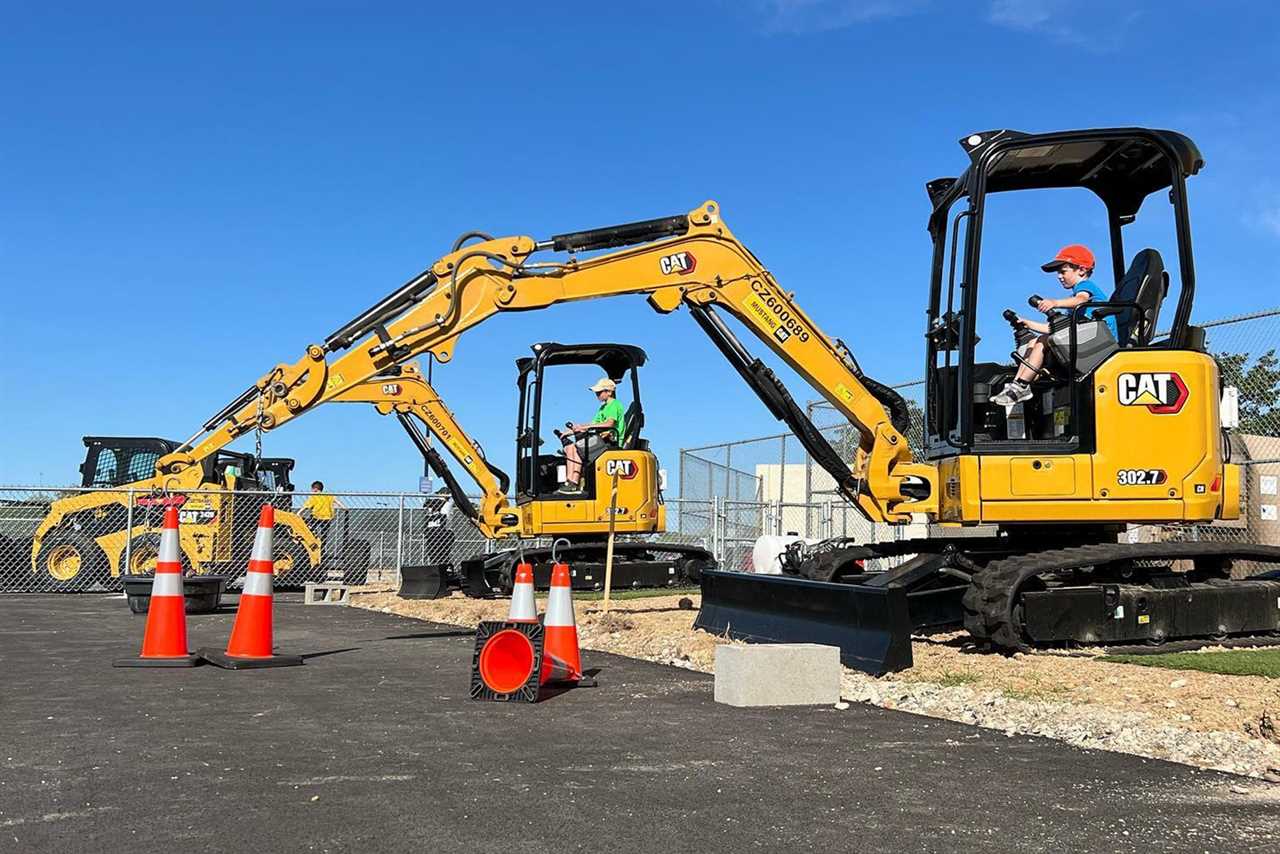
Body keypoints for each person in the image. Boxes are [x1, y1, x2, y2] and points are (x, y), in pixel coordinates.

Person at [990, 244, 1118, 406]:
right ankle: (1020, 383)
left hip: (1100, 343)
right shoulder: (1075, 311)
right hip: (1086, 340)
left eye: (1063, 271)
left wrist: (1055, 302)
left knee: (1044, 340)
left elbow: (1080, 299)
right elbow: (1055, 331)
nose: (1059, 276)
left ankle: (1022, 385)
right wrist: (1027, 323)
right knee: (1033, 342)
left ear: (1082, 270)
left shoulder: (1085, 287)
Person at [560, 377, 625, 492]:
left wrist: (585, 427)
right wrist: (571, 431)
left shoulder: (614, 405)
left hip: (610, 441)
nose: (597, 395)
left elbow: (609, 423)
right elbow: (593, 424)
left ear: (609, 392)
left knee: (577, 448)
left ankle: (574, 483)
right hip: (602, 439)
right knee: (570, 448)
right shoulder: (603, 408)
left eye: (599, 392)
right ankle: (569, 481)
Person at [300, 480, 340, 555]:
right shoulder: (328, 495)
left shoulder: (314, 496)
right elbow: (337, 501)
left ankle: (312, 543)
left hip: (316, 517)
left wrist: (299, 513)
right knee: (324, 535)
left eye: (312, 489)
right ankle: (322, 549)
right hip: (327, 518)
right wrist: (344, 508)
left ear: (315, 489)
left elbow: (306, 506)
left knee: (309, 530)